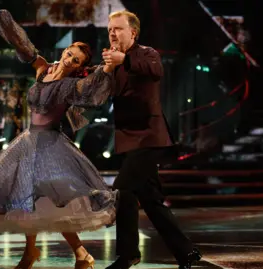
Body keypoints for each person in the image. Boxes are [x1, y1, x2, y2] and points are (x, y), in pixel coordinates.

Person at [0, 3, 117, 269]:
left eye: (75, 60)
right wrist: (0, 16)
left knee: (50, 202)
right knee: (27, 199)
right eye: (69, 53)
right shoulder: (42, 69)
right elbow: (23, 44)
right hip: (27, 143)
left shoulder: (72, 86)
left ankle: (78, 253)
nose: (69, 59)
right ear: (64, 51)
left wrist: (107, 68)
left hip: (51, 146)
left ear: (79, 67)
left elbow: (94, 86)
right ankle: (34, 253)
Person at [98, 10, 203, 269]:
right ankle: (186, 252)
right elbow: (98, 94)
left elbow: (155, 70)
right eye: (110, 28)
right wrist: (104, 71)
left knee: (122, 190)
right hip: (128, 139)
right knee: (152, 201)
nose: (112, 32)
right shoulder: (112, 61)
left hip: (148, 137)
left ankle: (128, 254)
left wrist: (123, 60)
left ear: (132, 32)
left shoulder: (146, 53)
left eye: (118, 28)